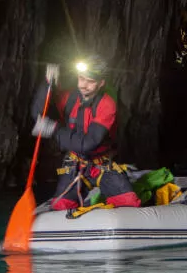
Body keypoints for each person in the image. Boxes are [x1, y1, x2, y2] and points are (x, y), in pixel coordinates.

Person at [30, 56, 141, 211]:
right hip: (74, 164)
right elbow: (38, 115)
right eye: (82, 79)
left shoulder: (107, 104)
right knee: (61, 207)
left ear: (101, 83)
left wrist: (55, 130)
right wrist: (47, 84)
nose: (84, 85)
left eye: (91, 81)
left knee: (129, 204)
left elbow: (88, 144)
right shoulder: (69, 98)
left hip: (102, 164)